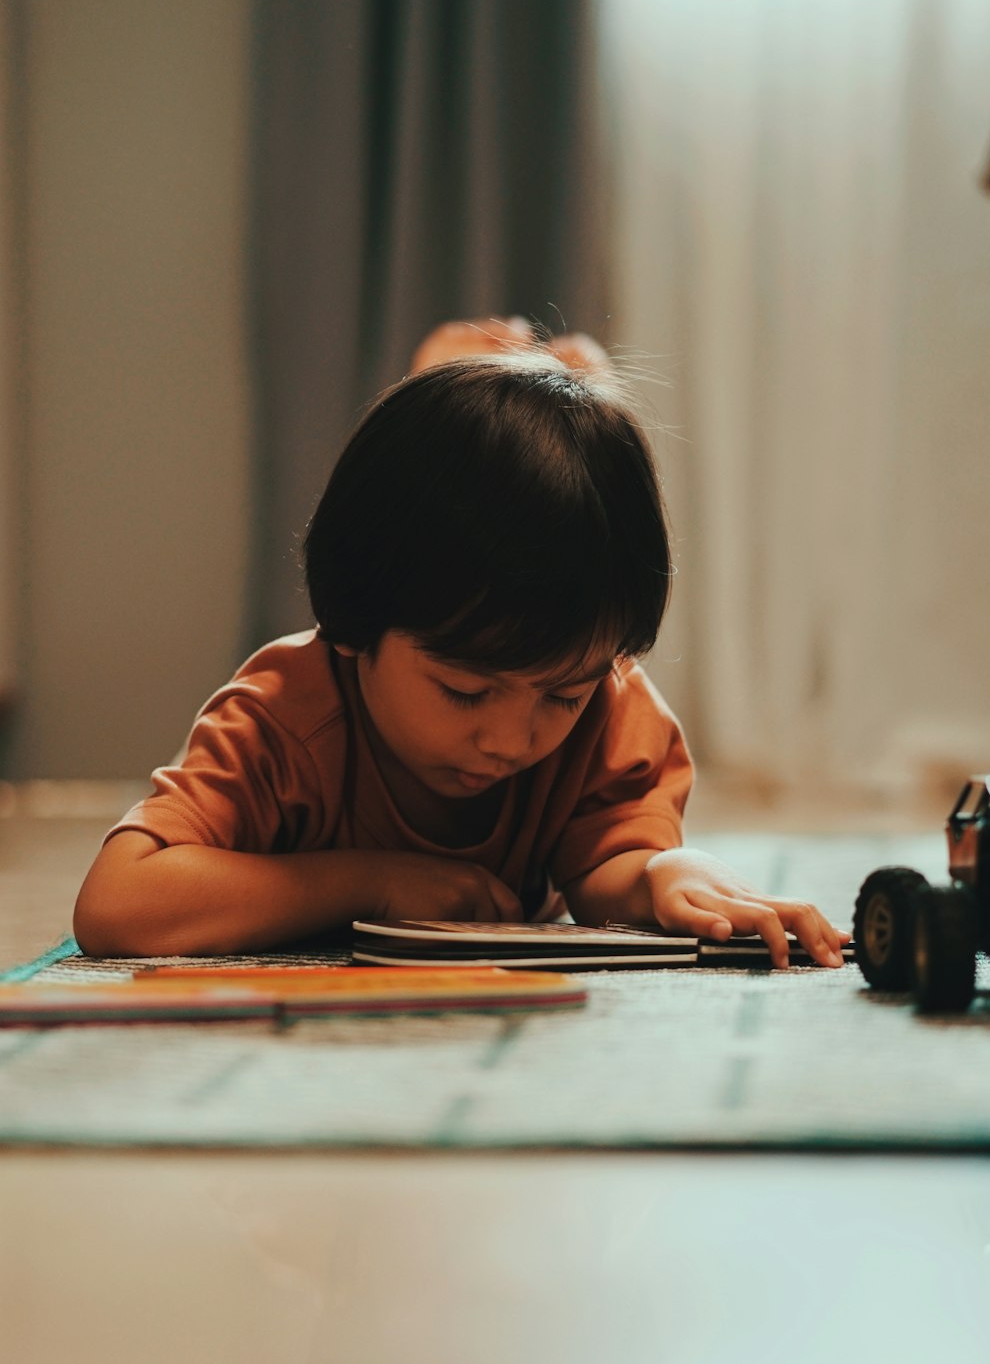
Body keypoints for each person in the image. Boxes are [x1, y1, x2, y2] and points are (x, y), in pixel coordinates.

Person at [74, 319, 848, 967]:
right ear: (354, 623)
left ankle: (513, 370)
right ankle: (467, 363)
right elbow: (118, 903)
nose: (511, 739)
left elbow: (605, 867)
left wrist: (668, 874)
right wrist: (370, 881)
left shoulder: (608, 702)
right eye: (466, 691)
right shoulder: (285, 714)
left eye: (561, 696)